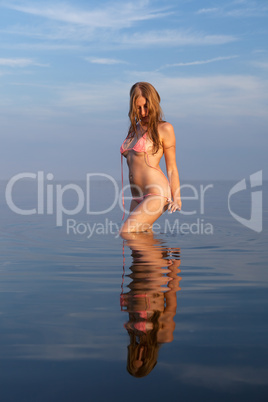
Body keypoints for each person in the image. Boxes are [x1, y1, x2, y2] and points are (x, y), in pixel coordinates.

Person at [120, 82, 181, 233]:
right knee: (140, 251)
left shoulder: (164, 128)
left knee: (126, 233)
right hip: (137, 198)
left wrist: (177, 198)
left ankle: (164, 256)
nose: (142, 112)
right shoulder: (134, 130)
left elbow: (172, 167)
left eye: (146, 106)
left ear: (154, 104)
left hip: (156, 193)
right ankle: (163, 257)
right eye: (138, 107)